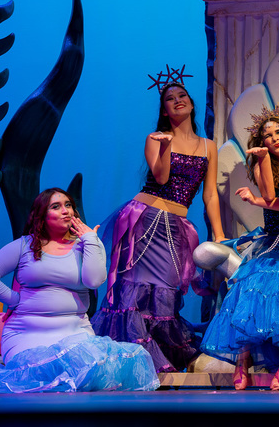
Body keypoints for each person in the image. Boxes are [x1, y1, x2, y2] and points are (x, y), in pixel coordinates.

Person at [0, 188, 159, 394]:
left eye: (69, 205)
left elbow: (94, 280)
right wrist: (13, 299)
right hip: (27, 333)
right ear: (42, 215)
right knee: (41, 371)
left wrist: (91, 240)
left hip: (74, 332)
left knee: (104, 363)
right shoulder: (25, 245)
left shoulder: (86, 245)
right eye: (56, 206)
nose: (66, 210)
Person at [91, 81, 226, 372]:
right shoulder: (156, 138)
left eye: (182, 96)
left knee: (165, 292)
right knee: (133, 292)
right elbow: (162, 178)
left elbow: (210, 193)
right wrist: (165, 145)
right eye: (170, 99)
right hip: (145, 220)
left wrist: (219, 234)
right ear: (164, 111)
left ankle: (159, 357)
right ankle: (129, 362)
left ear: (191, 103)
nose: (177, 101)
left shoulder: (208, 146)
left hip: (176, 226)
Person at [200, 107, 279, 390]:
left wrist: (257, 202)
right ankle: (242, 361)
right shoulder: (262, 164)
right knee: (248, 284)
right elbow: (270, 193)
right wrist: (263, 163)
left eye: (278, 132)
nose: (274, 138)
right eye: (267, 135)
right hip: (271, 242)